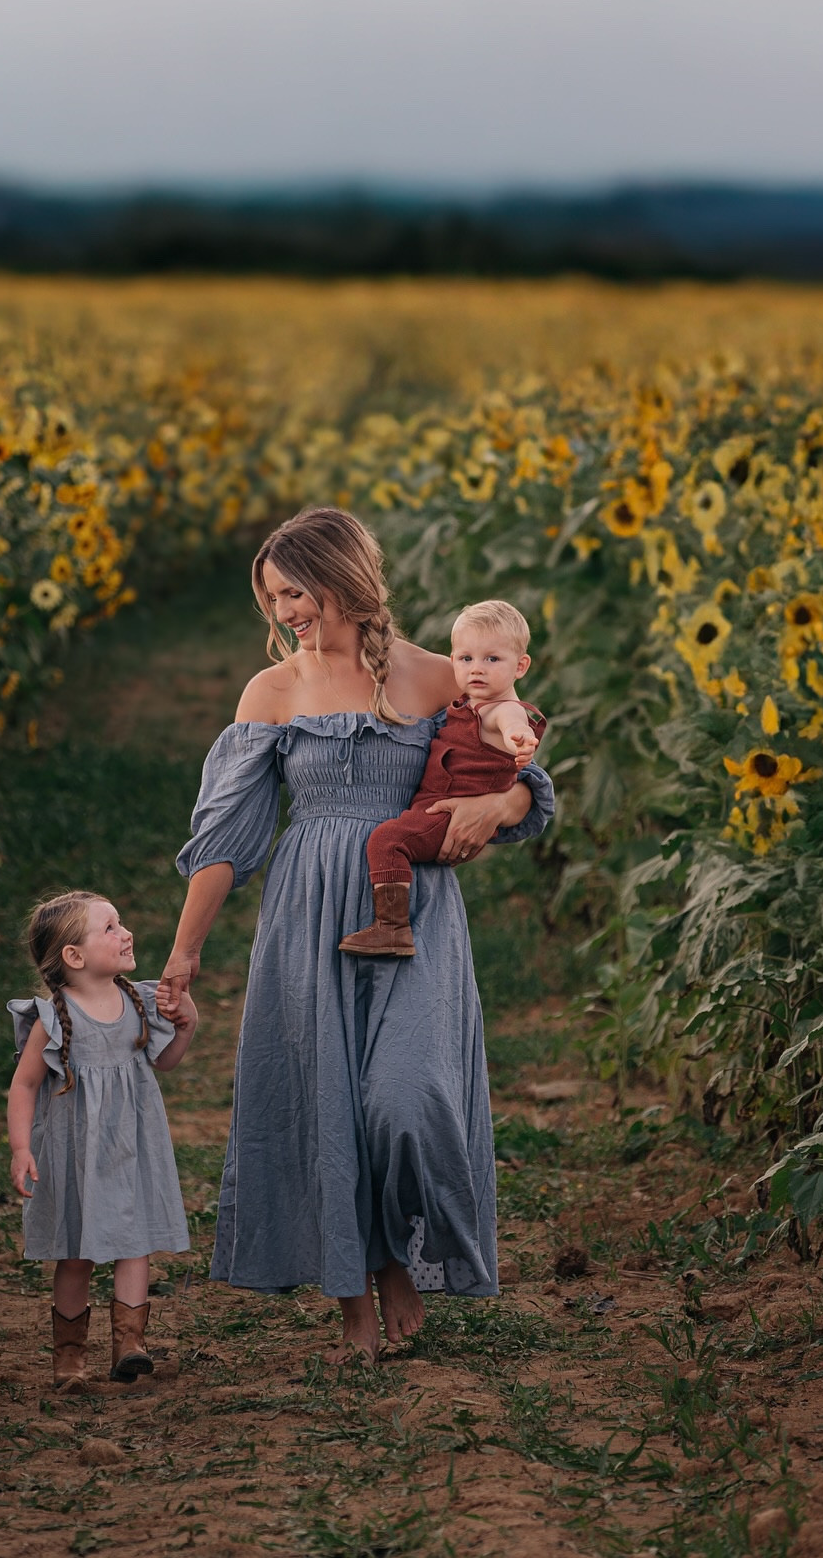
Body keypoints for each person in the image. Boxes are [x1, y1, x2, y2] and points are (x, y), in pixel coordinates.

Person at [157, 507, 555, 1364]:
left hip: (415, 914)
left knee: (404, 1099)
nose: (283, 612)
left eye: (293, 591)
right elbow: (227, 836)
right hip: (309, 912)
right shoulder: (273, 692)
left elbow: (520, 773)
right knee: (326, 1103)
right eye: (271, 597)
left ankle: (402, 1251)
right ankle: (360, 1292)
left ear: (342, 580)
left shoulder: (440, 676)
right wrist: (185, 952)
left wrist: (501, 803)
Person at [7, 889, 198, 1393]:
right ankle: (69, 1361)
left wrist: (187, 1026)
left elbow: (166, 1061)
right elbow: (25, 1084)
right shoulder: (53, 1019)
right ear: (74, 956)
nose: (126, 932)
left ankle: (129, 1344)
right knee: (76, 1254)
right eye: (110, 927)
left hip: (131, 1147)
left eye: (121, 922)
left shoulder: (137, 1000)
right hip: (75, 1154)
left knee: (134, 1244)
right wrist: (22, 1149)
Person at [340, 598, 545, 958]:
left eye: (492, 659)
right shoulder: (469, 706)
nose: (476, 669)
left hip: (450, 816)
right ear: (452, 660)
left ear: (521, 666)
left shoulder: (502, 709)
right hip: (438, 808)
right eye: (466, 659)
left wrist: (521, 738)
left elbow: (513, 721)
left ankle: (392, 929)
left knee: (386, 842)